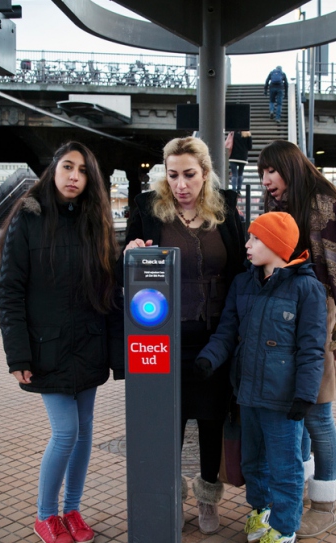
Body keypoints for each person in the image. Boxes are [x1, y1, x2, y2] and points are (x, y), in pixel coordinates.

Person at [0, 142, 124, 543]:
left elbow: (110, 284)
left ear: (91, 180)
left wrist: (131, 254)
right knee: (66, 432)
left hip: (87, 342)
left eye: (83, 170)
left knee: (85, 431)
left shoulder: (94, 221)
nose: (74, 176)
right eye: (67, 167)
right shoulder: (29, 219)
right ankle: (45, 515)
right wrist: (17, 354)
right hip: (46, 347)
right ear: (52, 171)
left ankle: (72, 510)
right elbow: (10, 292)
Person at [120, 136, 247, 534]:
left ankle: (208, 499)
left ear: (205, 174)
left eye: (189, 175)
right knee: (165, 423)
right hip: (165, 337)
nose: (180, 185)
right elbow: (126, 263)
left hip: (216, 337)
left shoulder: (224, 207)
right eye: (172, 175)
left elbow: (241, 268)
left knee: (211, 420)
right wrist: (130, 254)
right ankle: (170, 495)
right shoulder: (147, 208)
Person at [257, 140, 336, 539]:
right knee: (300, 410)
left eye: (271, 171)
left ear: (289, 166)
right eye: (262, 174)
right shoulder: (282, 206)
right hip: (290, 322)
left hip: (322, 319)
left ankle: (325, 502)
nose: (267, 180)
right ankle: (306, 493)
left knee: (318, 413)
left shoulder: (323, 202)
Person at [194, 211, 326, 543]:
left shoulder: (307, 289)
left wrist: (305, 396)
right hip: (247, 394)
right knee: (253, 462)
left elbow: (312, 350)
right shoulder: (243, 283)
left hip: (284, 400)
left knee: (285, 467)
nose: (247, 244)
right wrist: (208, 360)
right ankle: (260, 511)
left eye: (255, 238)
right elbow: (227, 332)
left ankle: (284, 529)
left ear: (277, 245)